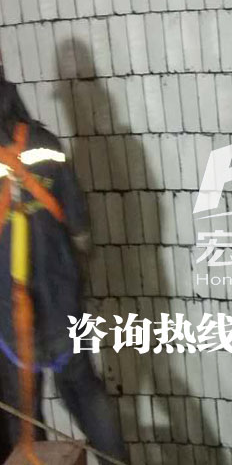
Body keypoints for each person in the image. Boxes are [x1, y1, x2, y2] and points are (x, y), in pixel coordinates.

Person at [0, 74, 127, 464]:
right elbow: (81, 230)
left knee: (24, 416)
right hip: (64, 304)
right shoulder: (45, 144)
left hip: (10, 319)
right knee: (86, 392)